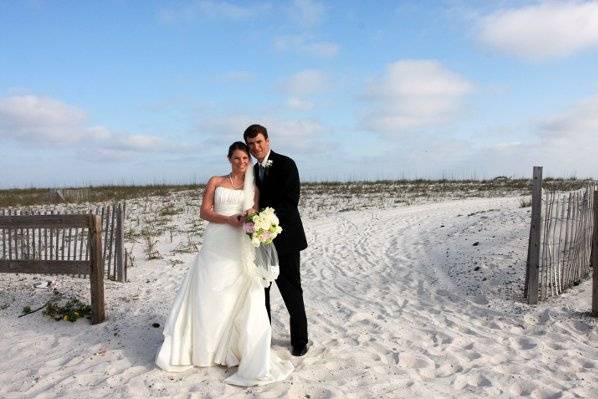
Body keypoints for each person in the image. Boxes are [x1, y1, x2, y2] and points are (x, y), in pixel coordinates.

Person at [155, 141, 293, 386]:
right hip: (216, 240)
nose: (241, 162)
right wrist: (226, 219)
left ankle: (232, 347)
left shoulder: (253, 187)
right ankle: (205, 348)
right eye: (237, 158)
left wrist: (253, 223)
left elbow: (253, 212)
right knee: (210, 291)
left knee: (237, 292)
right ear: (229, 158)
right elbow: (204, 212)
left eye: (245, 159)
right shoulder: (215, 181)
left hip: (238, 243)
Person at [243, 124, 310, 357]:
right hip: (259, 242)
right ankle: (264, 336)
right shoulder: (250, 171)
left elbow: (291, 201)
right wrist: (254, 227)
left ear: (268, 141)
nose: (256, 147)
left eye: (259, 142)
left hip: (287, 239)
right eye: (251, 144)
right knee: (262, 291)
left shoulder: (286, 164)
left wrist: (265, 222)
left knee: (292, 290)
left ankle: (300, 340)